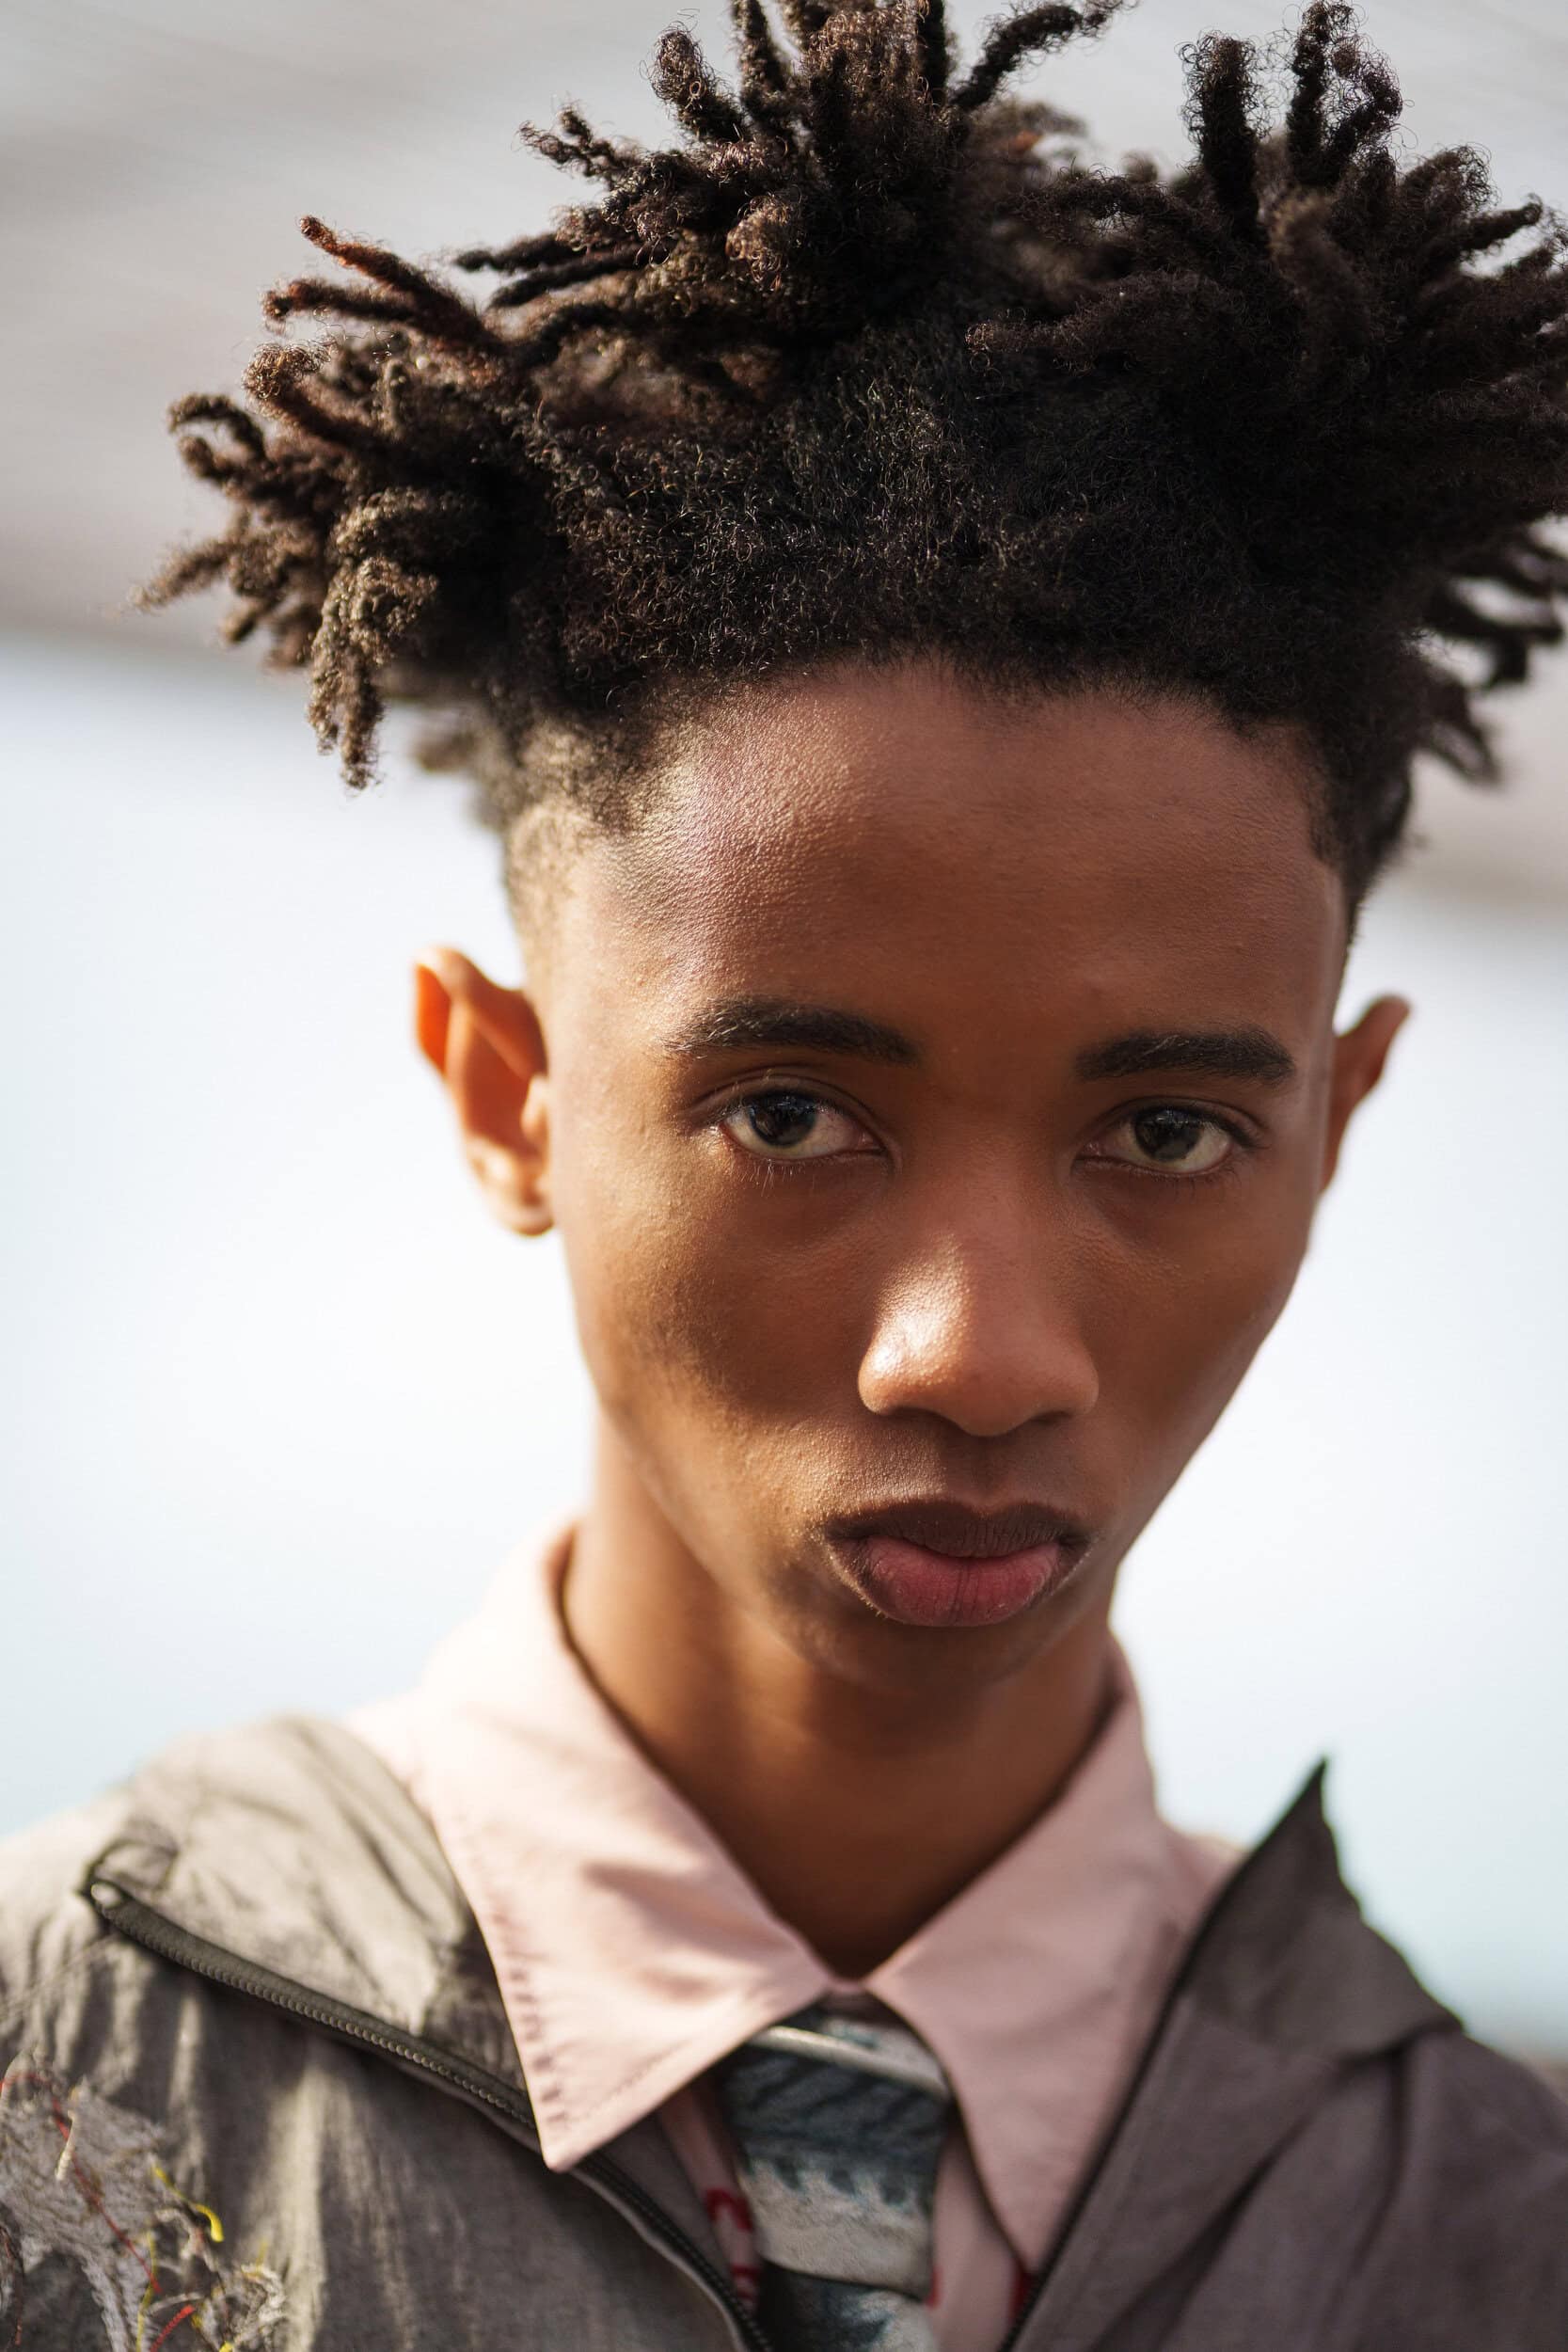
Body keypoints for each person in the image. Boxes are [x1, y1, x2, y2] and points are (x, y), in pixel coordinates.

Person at [4, 2, 1566, 2344]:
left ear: (1332, 1130)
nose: (982, 1353)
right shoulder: (57, 2080)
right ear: (509, 1094)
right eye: (792, 1113)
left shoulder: (1494, 2232)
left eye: (1166, 1131)